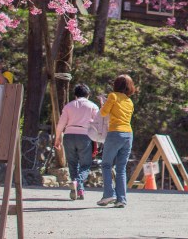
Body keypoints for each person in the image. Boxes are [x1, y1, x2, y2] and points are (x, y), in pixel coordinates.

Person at [54, 84, 99, 201]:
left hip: (68, 135)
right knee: (85, 164)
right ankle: (78, 182)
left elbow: (61, 124)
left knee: (72, 163)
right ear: (88, 95)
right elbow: (97, 124)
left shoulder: (69, 106)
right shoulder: (93, 106)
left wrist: (57, 138)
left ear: (75, 95)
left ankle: (78, 188)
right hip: (85, 136)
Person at [98, 74, 135, 208]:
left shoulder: (113, 96)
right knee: (121, 169)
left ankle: (108, 194)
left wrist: (103, 103)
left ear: (116, 85)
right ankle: (121, 199)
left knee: (106, 165)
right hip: (128, 135)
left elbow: (103, 113)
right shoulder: (130, 102)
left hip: (115, 133)